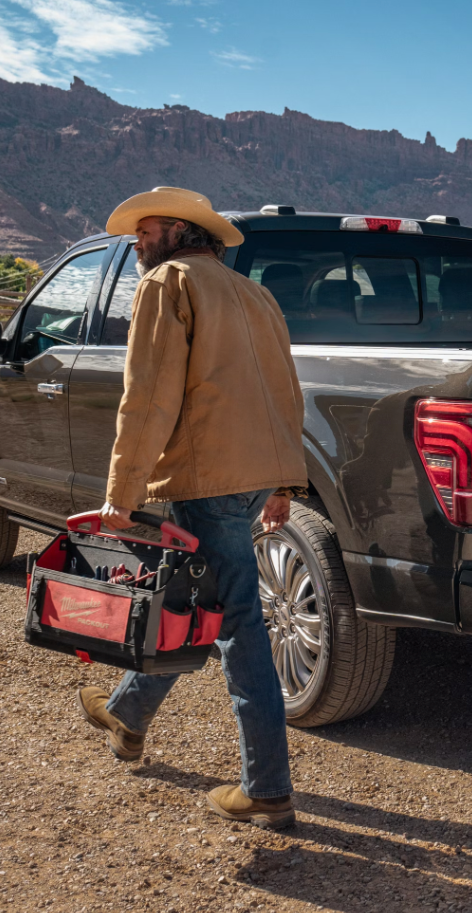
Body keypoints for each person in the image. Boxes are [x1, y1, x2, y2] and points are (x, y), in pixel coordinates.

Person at [76, 187, 307, 829]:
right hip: (253, 474)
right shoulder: (254, 293)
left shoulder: (168, 282)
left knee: (235, 622)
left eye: (145, 230)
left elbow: (147, 399)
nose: (137, 242)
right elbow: (286, 391)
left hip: (206, 477)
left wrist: (121, 496)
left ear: (179, 230)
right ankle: (128, 712)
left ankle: (266, 790)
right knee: (196, 606)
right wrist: (285, 482)